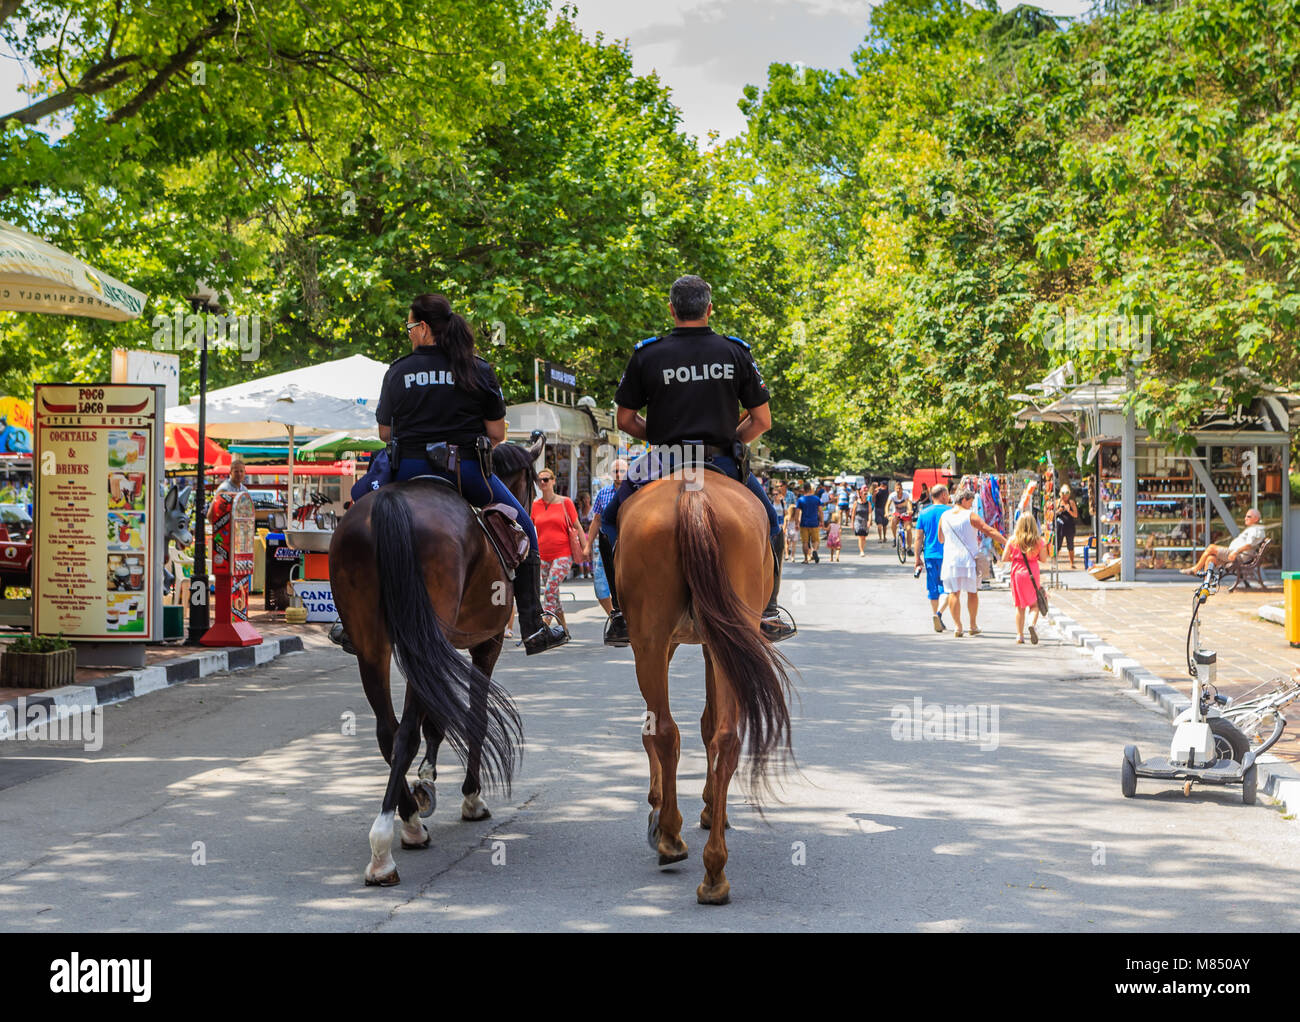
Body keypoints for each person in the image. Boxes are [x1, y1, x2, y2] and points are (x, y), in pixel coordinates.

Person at [331, 292, 567, 657]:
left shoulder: (398, 371)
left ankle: (348, 620)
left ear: (424, 328)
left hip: (405, 470)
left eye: (410, 327)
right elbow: (498, 435)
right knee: (526, 527)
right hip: (465, 473)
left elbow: (385, 435)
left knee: (357, 521)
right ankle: (533, 624)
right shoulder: (477, 369)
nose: (409, 334)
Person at [597, 275, 795, 644]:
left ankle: (622, 615)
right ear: (709, 309)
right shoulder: (735, 352)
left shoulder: (647, 354)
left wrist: (658, 437)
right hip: (720, 462)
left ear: (671, 309)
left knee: (610, 521)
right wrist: (731, 440)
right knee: (770, 522)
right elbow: (762, 420)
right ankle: (769, 610)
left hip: (664, 461)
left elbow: (625, 420)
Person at [938, 487, 1006, 637]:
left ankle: (957, 626)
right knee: (972, 593)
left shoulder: (944, 516)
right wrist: (1006, 542)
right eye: (970, 501)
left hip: (950, 559)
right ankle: (973, 625)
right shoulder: (970, 515)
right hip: (968, 560)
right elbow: (988, 530)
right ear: (964, 500)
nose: (972, 505)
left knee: (953, 593)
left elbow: (940, 538)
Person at [531, 470, 579, 632]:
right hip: (543, 556)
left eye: (545, 479)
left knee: (550, 588)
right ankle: (564, 630)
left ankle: (545, 624)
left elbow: (577, 526)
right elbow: (529, 530)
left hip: (563, 554)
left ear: (553, 481)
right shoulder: (535, 506)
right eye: (539, 481)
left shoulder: (565, 502)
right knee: (554, 594)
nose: (542, 483)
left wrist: (585, 549)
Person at [583, 459, 629, 618]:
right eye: (615, 471)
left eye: (622, 471)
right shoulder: (603, 493)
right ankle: (615, 617)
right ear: (611, 473)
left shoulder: (633, 492)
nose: (618, 474)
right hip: (607, 545)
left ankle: (629, 618)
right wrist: (588, 546)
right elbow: (596, 520)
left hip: (628, 545)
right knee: (600, 587)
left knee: (627, 584)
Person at [1180, 508, 1267, 575]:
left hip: (1238, 556)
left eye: (1248, 516)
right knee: (1211, 559)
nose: (1245, 518)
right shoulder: (1253, 529)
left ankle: (1195, 569)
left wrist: (1235, 552)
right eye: (1246, 516)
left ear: (1256, 519)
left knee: (1211, 548)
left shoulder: (1255, 530)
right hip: (1235, 554)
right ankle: (1206, 583)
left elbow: (1249, 545)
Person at [914, 483, 951, 632]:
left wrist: (917, 558)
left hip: (929, 555)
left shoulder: (924, 513)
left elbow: (918, 538)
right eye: (947, 494)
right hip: (947, 555)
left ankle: (936, 618)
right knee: (949, 588)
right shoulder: (951, 511)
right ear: (943, 495)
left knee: (933, 589)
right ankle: (939, 615)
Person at [1005, 511, 1046, 644]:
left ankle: (1019, 635)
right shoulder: (1039, 541)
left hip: (1017, 572)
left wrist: (1015, 556)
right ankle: (1032, 625)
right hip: (1032, 572)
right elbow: (1044, 559)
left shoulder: (1013, 540)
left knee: (1019, 606)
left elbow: (1004, 558)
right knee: (1034, 605)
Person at [1054, 484, 1079, 569]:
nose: (1065, 496)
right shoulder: (1057, 502)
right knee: (1057, 545)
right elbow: (1051, 515)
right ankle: (1055, 562)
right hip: (1059, 526)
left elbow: (1075, 515)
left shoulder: (1071, 503)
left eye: (1066, 494)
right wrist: (1059, 511)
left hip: (1069, 526)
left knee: (1070, 545)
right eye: (1063, 494)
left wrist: (1069, 510)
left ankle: (1072, 563)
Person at [797, 482, 822, 563]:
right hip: (814, 522)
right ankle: (814, 550)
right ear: (811, 489)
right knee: (815, 541)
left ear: (804, 489)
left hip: (804, 523)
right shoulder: (816, 499)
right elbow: (820, 511)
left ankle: (806, 559)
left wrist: (797, 522)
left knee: (805, 542)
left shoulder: (800, 499)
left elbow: (797, 512)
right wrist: (821, 521)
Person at [576, 490, 594, 579]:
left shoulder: (592, 510)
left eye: (588, 498)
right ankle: (583, 572)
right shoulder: (580, 511)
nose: (587, 501)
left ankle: (590, 571)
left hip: (589, 533)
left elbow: (593, 523)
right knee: (582, 552)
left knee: (589, 552)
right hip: (582, 533)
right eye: (585, 499)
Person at [852, 484, 871, 556]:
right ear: (861, 494)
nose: (865, 495)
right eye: (864, 493)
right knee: (860, 536)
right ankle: (861, 551)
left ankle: (862, 549)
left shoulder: (868, 503)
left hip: (865, 521)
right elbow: (853, 514)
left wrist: (869, 521)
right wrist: (852, 523)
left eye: (866, 494)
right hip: (858, 521)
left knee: (864, 537)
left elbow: (870, 513)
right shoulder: (856, 503)